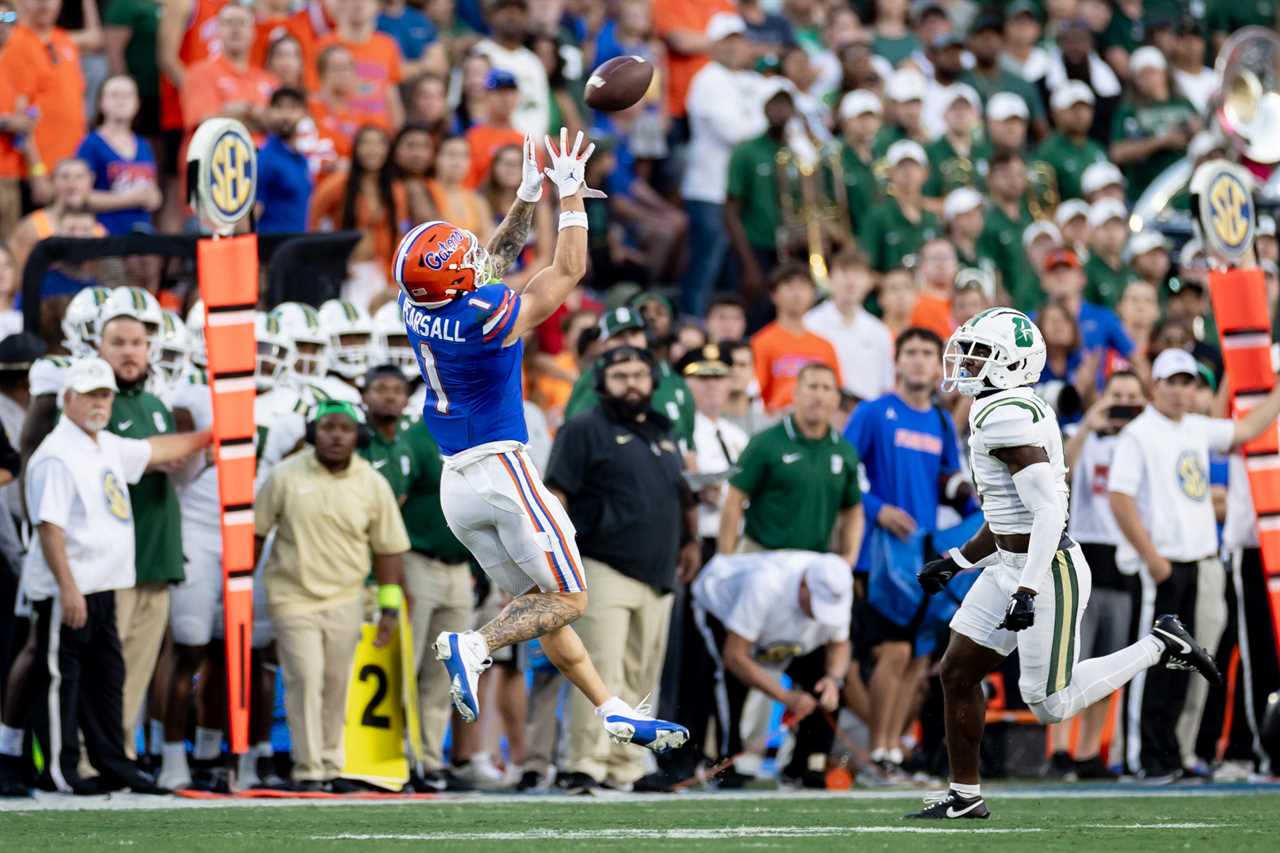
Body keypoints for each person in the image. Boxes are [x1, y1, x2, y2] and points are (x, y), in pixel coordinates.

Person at [391, 128, 689, 758]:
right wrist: (572, 193)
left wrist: (528, 197)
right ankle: (474, 643)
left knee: (540, 601)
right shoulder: (484, 317)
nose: (476, 260)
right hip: (500, 467)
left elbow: (488, 263)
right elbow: (570, 269)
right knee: (571, 597)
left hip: (458, 483)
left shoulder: (418, 304)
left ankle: (610, 709)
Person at [908, 311, 1223, 820]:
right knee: (957, 671)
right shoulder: (998, 407)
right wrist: (958, 560)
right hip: (1014, 562)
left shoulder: (1004, 415)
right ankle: (964, 795)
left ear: (1012, 362)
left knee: (1048, 704)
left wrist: (1027, 589)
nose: (965, 362)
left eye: (979, 353)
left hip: (1048, 567)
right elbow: (1006, 516)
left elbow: (1049, 514)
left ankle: (1161, 644)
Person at [23, 357, 209, 795]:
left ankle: (113, 762)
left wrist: (213, 435)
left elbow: (157, 451)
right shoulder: (56, 453)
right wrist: (68, 588)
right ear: (67, 399)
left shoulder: (102, 444)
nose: (99, 402)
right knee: (61, 680)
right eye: (89, 394)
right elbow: (49, 527)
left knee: (107, 680)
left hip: (106, 583)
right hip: (70, 586)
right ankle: (58, 769)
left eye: (104, 394)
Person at [1108, 348, 1280, 781]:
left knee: (1189, 665)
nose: (1181, 391)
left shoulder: (1196, 428)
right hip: (1163, 561)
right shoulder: (1139, 434)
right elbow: (1119, 498)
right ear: (1156, 385)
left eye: (1188, 383)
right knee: (1153, 664)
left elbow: (1245, 429)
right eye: (1173, 382)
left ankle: (1175, 753)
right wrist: (1152, 558)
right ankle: (1144, 757)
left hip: (1199, 560)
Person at [544, 346, 698, 792]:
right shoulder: (584, 428)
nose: (632, 383)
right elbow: (557, 494)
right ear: (602, 382)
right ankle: (583, 763)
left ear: (652, 382)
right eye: (621, 375)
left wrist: (689, 541)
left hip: (658, 570)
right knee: (600, 668)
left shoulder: (663, 432)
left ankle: (625, 767)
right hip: (601, 564)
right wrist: (558, 559)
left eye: (639, 375)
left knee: (640, 673)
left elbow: (681, 493)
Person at [717, 362, 861, 785]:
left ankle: (806, 762)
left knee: (816, 663)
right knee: (744, 662)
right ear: (795, 394)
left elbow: (854, 510)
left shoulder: (843, 451)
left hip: (812, 576)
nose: (819, 395)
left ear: (837, 399)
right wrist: (728, 561)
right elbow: (733, 502)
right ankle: (735, 757)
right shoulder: (766, 443)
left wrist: (846, 561)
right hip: (762, 561)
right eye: (811, 386)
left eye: (826, 388)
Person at [254, 399, 408, 791]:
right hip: (292, 595)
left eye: (344, 428)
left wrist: (389, 608)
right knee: (305, 677)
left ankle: (332, 764)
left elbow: (388, 548)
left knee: (337, 682)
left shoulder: (373, 483)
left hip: (346, 597)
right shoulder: (284, 476)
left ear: (358, 435)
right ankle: (308, 769)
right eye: (328, 427)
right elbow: (255, 533)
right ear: (312, 433)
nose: (336, 435)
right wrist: (239, 592)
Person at [845, 327, 970, 779]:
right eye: (910, 352)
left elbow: (950, 479)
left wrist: (972, 495)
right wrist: (877, 510)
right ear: (896, 362)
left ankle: (893, 750)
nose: (918, 361)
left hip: (924, 553)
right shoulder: (873, 412)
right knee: (892, 653)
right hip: (878, 556)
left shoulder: (938, 421)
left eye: (927, 354)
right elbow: (841, 471)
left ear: (938, 366)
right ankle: (876, 752)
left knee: (918, 659)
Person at [655, 549, 852, 789]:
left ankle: (806, 764)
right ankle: (724, 761)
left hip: (778, 634)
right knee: (726, 680)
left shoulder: (839, 585)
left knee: (824, 682)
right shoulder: (766, 583)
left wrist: (833, 678)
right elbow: (734, 657)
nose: (819, 614)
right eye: (816, 605)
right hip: (720, 608)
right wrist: (786, 697)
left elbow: (840, 644)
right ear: (803, 585)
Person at [95, 289, 186, 761]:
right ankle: (92, 757)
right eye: (119, 342)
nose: (130, 351)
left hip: (157, 555)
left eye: (137, 342)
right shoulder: (93, 405)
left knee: (139, 666)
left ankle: (123, 755)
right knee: (106, 669)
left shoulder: (156, 405)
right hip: (114, 561)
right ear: (99, 349)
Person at [1046, 370, 1147, 780]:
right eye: (1117, 395)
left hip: (1124, 562)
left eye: (1131, 396)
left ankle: (1089, 753)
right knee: (1068, 663)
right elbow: (1060, 473)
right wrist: (1089, 424)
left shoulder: (1144, 442)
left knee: (1107, 664)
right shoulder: (1079, 432)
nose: (1123, 403)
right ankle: (1059, 751)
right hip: (1084, 552)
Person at [679, 13, 765, 316]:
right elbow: (734, 132)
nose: (733, 48)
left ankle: (724, 325)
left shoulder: (747, 79)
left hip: (736, 192)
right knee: (707, 261)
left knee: (733, 266)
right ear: (714, 45)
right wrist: (764, 121)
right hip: (707, 188)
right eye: (726, 41)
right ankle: (691, 320)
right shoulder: (707, 78)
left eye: (738, 40)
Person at [563, 307, 696, 450]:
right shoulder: (591, 380)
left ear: (645, 338)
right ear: (603, 344)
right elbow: (575, 436)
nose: (628, 341)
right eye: (618, 336)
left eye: (634, 334)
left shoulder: (670, 379)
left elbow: (688, 442)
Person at [1, 0, 89, 170]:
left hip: (71, 165)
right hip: (38, 167)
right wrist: (37, 170)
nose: (45, 4)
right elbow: (21, 119)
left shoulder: (64, 40)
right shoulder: (15, 45)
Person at [725, 87, 795, 295]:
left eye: (785, 104)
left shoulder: (799, 151)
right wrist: (749, 264)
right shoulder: (746, 152)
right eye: (774, 104)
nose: (780, 110)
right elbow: (730, 211)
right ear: (764, 108)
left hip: (792, 249)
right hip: (756, 247)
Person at [1108, 46, 1198, 203]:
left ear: (1164, 73)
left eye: (1151, 72)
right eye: (1141, 75)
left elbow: (1204, 138)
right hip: (1146, 195)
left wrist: (1197, 132)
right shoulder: (1129, 111)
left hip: (1185, 193)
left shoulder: (1184, 104)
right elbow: (1117, 152)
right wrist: (1160, 142)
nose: (1147, 79)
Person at [750, 265, 841, 414]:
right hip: (777, 422)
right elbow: (755, 393)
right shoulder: (761, 342)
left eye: (803, 287)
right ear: (774, 295)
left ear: (813, 294)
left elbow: (836, 392)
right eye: (790, 287)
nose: (797, 294)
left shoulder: (825, 346)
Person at [76, 75, 161, 236]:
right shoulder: (91, 144)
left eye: (128, 95)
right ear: (101, 102)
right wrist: (130, 200)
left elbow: (153, 189)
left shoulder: (143, 144)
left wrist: (155, 197)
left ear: (137, 103)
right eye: (114, 95)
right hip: (106, 236)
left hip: (142, 238)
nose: (121, 101)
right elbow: (81, 196)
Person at [803, 250, 892, 402]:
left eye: (858, 274)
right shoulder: (809, 324)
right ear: (830, 277)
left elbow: (886, 385)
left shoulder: (879, 331)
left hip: (866, 416)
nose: (851, 281)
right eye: (844, 272)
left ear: (870, 282)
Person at [181, 4, 278, 136]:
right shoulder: (199, 72)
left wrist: (239, 110)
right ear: (217, 31)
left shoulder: (270, 80)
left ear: (254, 32)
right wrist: (254, 114)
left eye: (242, 23)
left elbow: (281, 125)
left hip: (263, 155)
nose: (235, 29)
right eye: (228, 23)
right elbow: (204, 124)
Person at [315, 0, 404, 128]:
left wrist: (397, 132)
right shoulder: (323, 45)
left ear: (377, 6)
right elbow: (316, 93)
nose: (359, 4)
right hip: (338, 133)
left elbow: (391, 95)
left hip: (378, 136)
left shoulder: (388, 45)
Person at [861, 141, 941, 273]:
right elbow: (866, 267)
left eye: (914, 166)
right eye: (901, 167)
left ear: (925, 172)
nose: (908, 172)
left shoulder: (932, 219)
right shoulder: (878, 216)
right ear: (890, 172)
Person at [472, 0, 548, 138]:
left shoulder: (533, 61)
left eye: (519, 9)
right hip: (494, 146)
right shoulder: (480, 55)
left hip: (533, 148)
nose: (512, 14)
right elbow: (473, 106)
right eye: (504, 8)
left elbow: (542, 108)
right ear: (490, 16)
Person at [1035, 81, 1108, 203]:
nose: (1080, 114)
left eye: (1085, 107)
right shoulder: (1047, 152)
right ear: (1056, 113)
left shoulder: (1097, 148)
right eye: (1073, 109)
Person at [255, 87, 314, 234]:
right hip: (271, 251)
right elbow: (252, 216)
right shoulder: (264, 159)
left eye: (293, 108)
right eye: (279, 107)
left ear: (305, 113)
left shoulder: (302, 158)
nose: (285, 115)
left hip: (297, 247)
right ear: (268, 113)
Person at [463, 69, 526, 189]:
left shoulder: (525, 140)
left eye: (510, 92)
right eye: (499, 92)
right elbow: (467, 187)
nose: (506, 98)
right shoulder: (473, 138)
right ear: (486, 95)